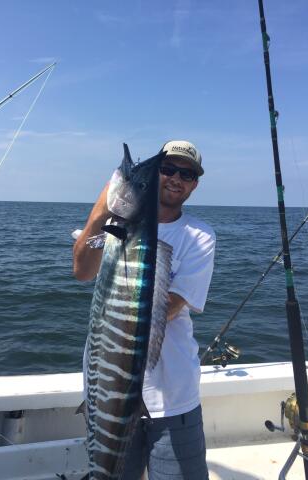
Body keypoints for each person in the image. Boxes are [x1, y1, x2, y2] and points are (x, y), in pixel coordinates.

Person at [73, 140, 216, 480]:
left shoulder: (199, 235)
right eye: (167, 170)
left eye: (187, 173)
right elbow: (82, 271)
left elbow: (171, 306)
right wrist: (100, 213)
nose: (175, 178)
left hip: (174, 401)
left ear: (194, 184)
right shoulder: (113, 227)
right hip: (106, 391)